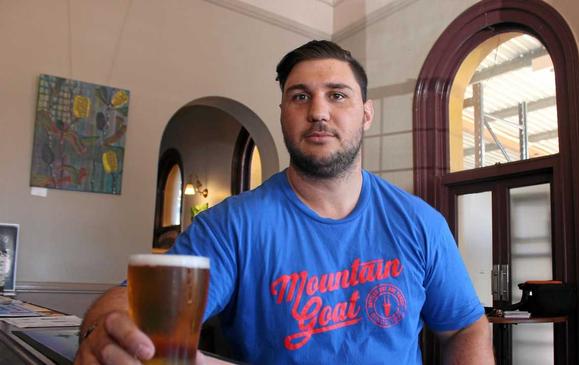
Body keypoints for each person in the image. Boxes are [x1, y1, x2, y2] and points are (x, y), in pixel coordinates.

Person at [75, 40, 493, 365]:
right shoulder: (232, 227)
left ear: (366, 114)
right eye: (300, 97)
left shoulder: (420, 223)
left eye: (338, 95)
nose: (318, 112)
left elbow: (465, 327)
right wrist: (104, 331)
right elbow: (129, 303)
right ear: (282, 113)